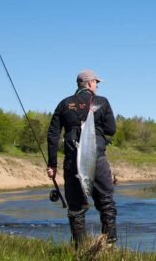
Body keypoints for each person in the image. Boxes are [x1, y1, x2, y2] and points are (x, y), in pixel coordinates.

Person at [46, 69, 117, 248]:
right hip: (97, 159)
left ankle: (79, 248)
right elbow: (111, 129)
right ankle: (109, 245)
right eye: (96, 82)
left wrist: (52, 164)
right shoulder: (102, 102)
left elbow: (53, 135)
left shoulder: (64, 104)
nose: (97, 86)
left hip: (72, 161)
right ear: (89, 83)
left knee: (75, 208)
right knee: (106, 202)